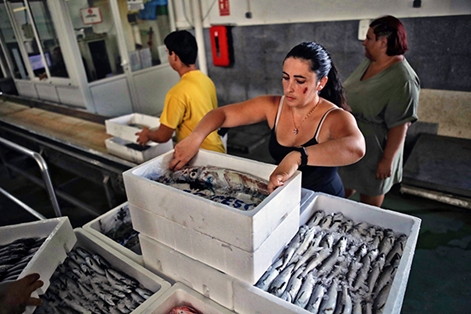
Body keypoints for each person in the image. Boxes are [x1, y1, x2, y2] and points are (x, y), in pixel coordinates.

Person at [169, 41, 365, 196]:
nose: (289, 88)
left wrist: (297, 157)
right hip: (285, 195)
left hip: (324, 198)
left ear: (321, 83)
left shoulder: (334, 117)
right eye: (285, 77)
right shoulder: (273, 107)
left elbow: (356, 147)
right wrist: (195, 138)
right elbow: (222, 114)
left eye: (299, 81)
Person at [338, 15, 420, 207]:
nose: (364, 42)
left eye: (368, 38)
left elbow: (400, 126)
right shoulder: (371, 61)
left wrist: (386, 161)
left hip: (376, 151)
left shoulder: (403, 80)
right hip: (353, 143)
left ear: (383, 42)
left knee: (368, 208)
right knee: (339, 195)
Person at [136, 30, 225, 153]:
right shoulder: (206, 80)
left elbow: (163, 136)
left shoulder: (177, 93)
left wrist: (147, 135)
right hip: (217, 149)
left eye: (168, 53)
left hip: (199, 155)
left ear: (174, 56)